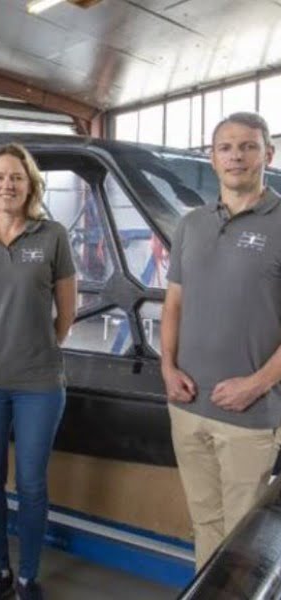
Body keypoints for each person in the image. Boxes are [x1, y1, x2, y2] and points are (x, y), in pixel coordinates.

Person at [0, 143, 77, 600]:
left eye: (17, 177)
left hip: (39, 384)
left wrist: (36, 349)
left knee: (30, 481)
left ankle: (27, 577)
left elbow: (66, 313)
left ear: (30, 186)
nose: (8, 185)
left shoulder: (53, 235)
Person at [161, 111, 281, 571]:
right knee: (206, 524)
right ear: (211, 159)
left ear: (267, 155)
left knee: (243, 538)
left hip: (249, 416)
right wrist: (167, 369)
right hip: (187, 406)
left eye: (248, 146)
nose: (236, 157)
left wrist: (255, 385)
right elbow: (174, 304)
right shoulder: (191, 225)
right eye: (226, 148)